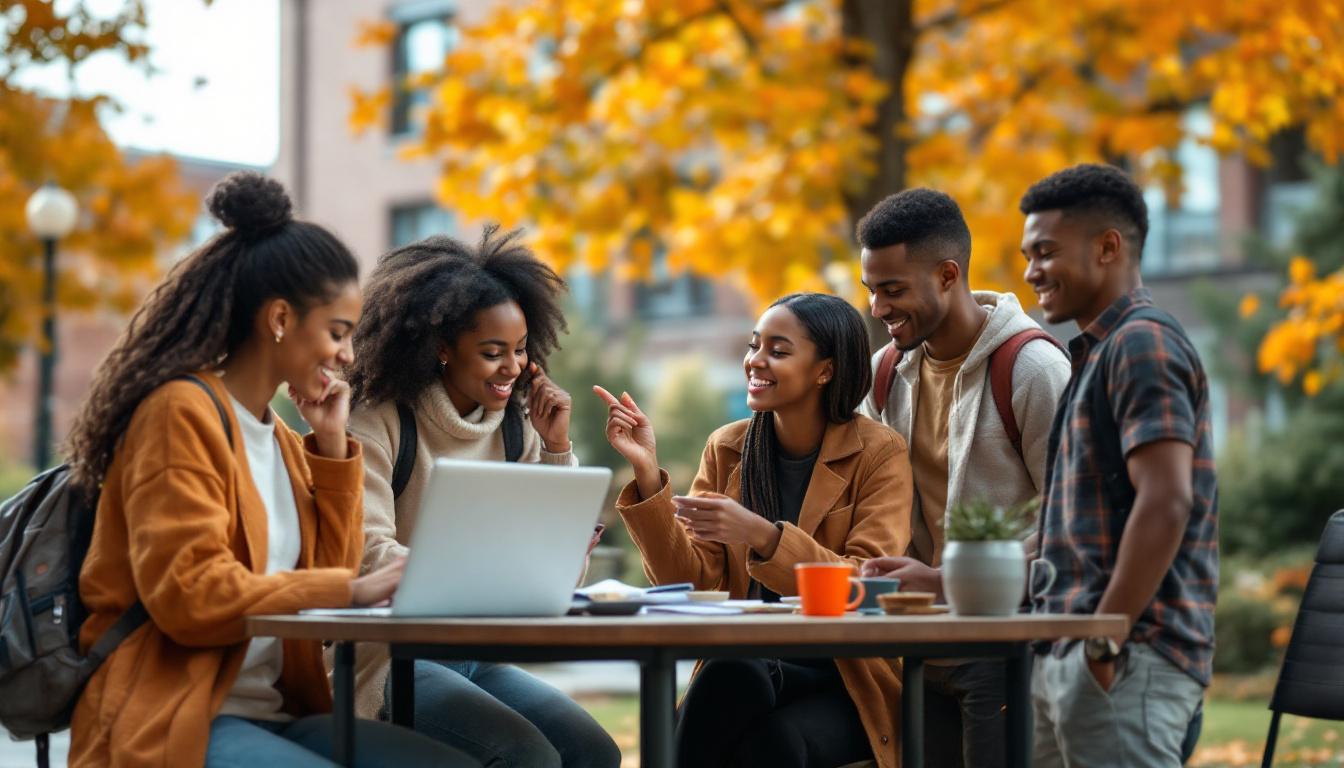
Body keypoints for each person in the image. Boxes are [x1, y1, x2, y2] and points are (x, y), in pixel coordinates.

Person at [65, 172, 476, 767]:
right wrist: (354, 590)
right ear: (280, 319)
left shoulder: (280, 438)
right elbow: (190, 597)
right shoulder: (178, 414)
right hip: (176, 716)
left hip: (277, 713)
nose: (348, 355)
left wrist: (331, 448)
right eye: (337, 333)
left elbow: (328, 590)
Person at [595, 292, 912, 768]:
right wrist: (646, 472)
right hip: (752, 667)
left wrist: (765, 536)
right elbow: (689, 582)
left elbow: (865, 584)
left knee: (772, 740)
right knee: (736, 673)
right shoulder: (727, 447)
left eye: (778, 351)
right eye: (754, 345)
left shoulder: (879, 453)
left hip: (846, 676)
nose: (755, 361)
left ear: (825, 370)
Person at [342, 227, 620, 768]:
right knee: (525, 756)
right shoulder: (378, 422)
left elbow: (559, 574)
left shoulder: (517, 427)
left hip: (472, 655)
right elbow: (367, 552)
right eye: (492, 353)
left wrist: (557, 448)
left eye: (519, 350)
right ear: (442, 349)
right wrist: (480, 574)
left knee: (594, 751)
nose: (512, 367)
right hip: (391, 658)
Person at [853, 188, 1071, 768]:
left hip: (1005, 650)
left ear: (948, 275)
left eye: (893, 290)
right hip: (917, 648)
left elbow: (1069, 524)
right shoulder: (884, 374)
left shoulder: (1033, 369)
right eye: (871, 289)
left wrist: (947, 582)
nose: (877, 307)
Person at [1018, 164, 1217, 767]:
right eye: (1028, 256)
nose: (1031, 272)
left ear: (1108, 247)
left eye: (1045, 252)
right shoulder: (1094, 356)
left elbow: (1166, 501)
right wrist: (943, 581)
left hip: (1127, 659)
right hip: (1069, 656)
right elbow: (1067, 531)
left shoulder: (1141, 343)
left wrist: (1104, 641)